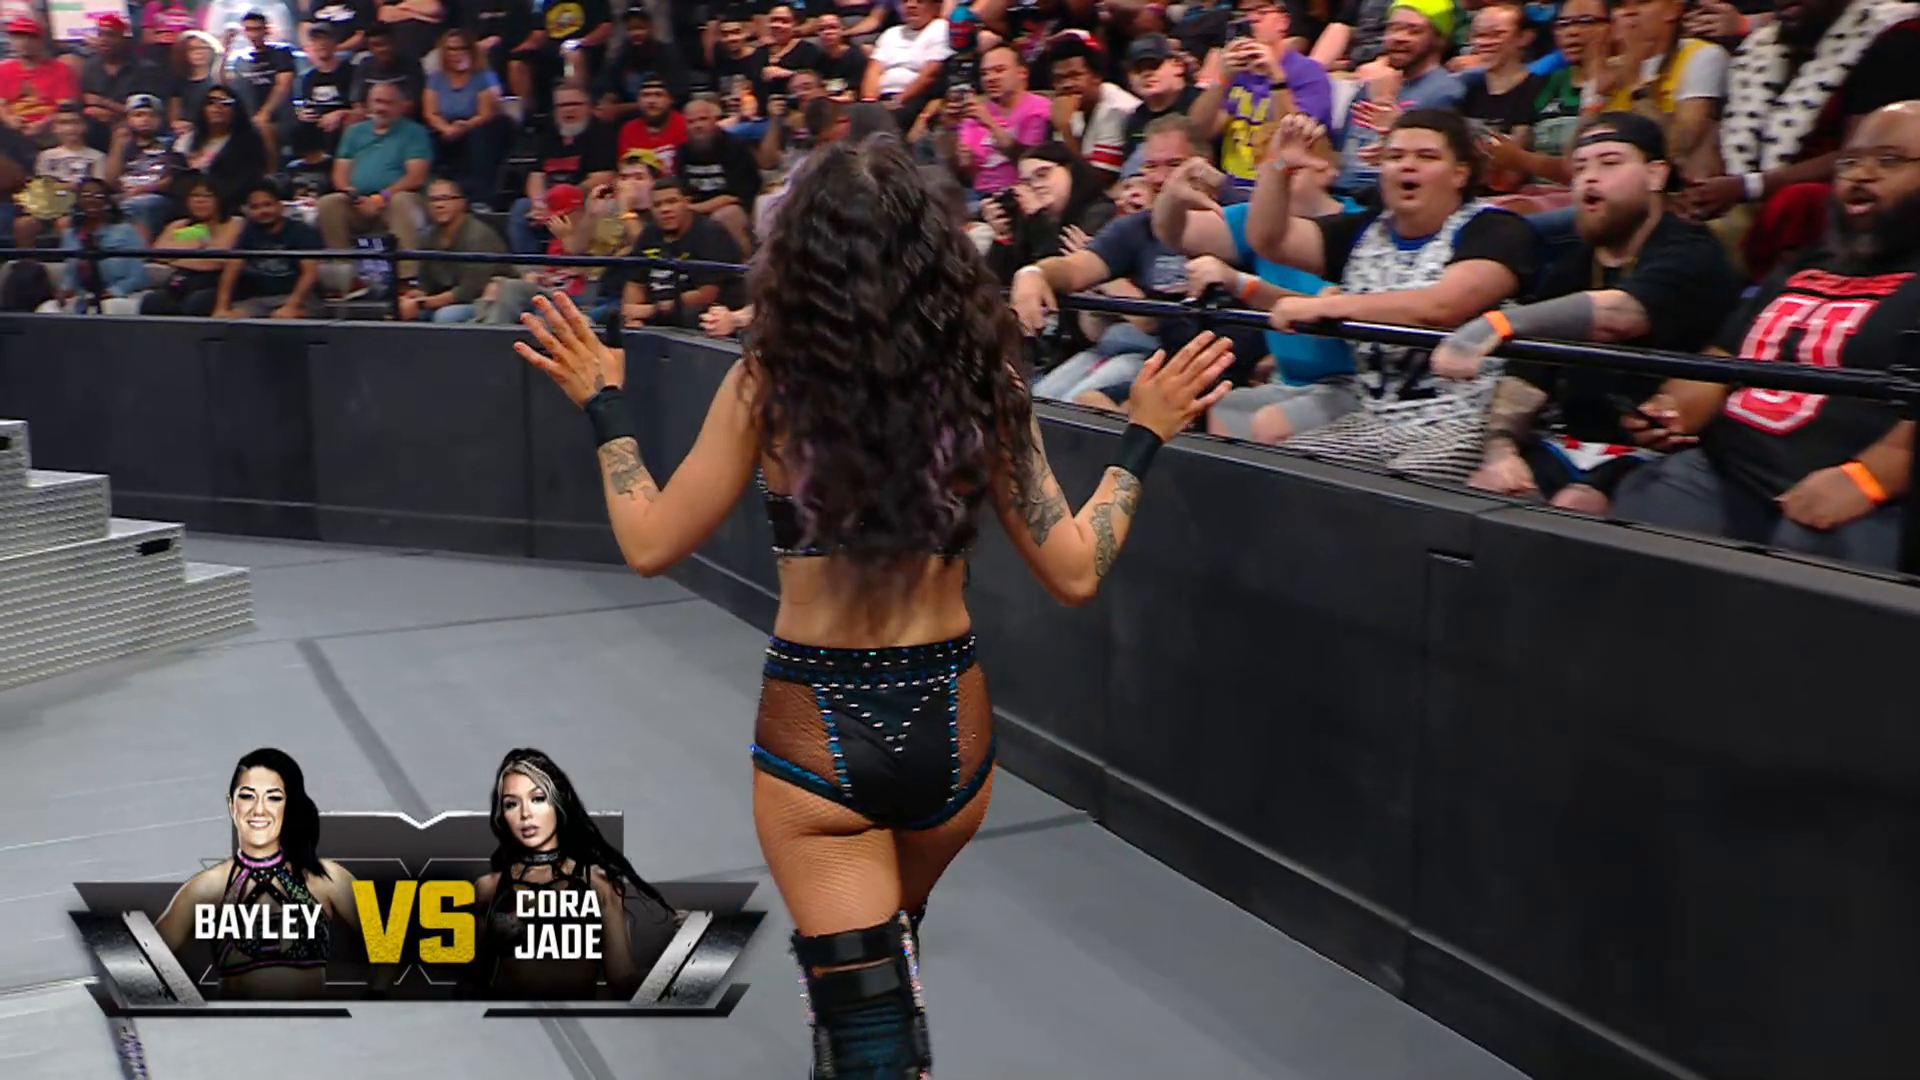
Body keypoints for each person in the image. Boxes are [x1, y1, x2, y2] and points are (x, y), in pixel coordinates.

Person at [514, 134, 1233, 1077]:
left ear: (799, 257)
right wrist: (1140, 439)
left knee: (867, 1025)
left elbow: (650, 542)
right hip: (950, 733)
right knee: (879, 975)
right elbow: (1075, 568)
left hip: (819, 733)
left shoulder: (766, 386)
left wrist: (603, 406)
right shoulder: (988, 383)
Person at [1609, 100, 1920, 570]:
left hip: (1857, 483)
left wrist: (1871, 477)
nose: (1861, 175)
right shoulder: (1803, 266)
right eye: (1850, 162)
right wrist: (1672, 409)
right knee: (1653, 498)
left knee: (1817, 547)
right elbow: (1722, 360)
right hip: (1729, 468)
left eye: (1889, 161)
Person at [1430, 112, 1743, 513]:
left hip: (1660, 453)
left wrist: (1497, 324)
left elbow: (1621, 314)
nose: (1589, 178)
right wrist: (1501, 450)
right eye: (1579, 168)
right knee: (1480, 496)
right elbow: (1528, 376)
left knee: (1574, 506)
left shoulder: (1692, 251)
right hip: (1568, 444)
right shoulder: (1575, 264)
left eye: (1609, 163)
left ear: (1656, 175)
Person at [468, 748, 678, 999]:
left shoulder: (598, 884)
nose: (525, 814)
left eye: (538, 798)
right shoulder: (489, 888)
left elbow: (623, 978)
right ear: (502, 815)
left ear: (559, 802)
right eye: (512, 804)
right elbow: (475, 981)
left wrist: (684, 961)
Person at [156, 749, 364, 1000]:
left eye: (274, 798)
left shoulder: (327, 878)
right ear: (231, 805)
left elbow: (390, 943)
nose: (259, 810)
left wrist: (376, 999)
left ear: (289, 806)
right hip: (237, 1025)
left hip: (311, 1024)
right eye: (247, 796)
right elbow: (140, 961)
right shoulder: (207, 888)